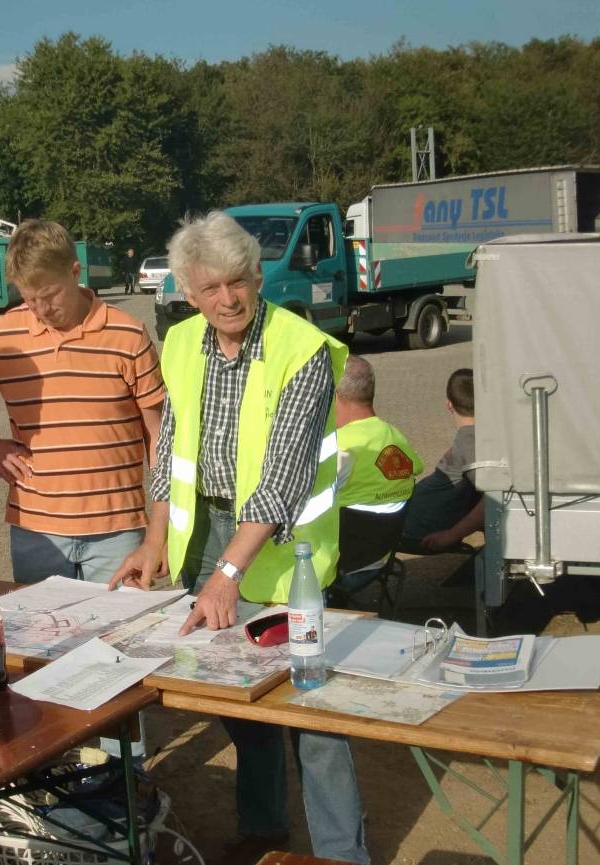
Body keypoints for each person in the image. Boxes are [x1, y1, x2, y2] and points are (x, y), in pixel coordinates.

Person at [110, 212, 367, 863]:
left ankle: (342, 853)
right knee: (231, 690)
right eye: (210, 287)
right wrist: (153, 539)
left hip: (284, 552)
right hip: (206, 537)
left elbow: (282, 475)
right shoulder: (180, 342)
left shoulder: (300, 348)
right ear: (188, 293)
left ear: (258, 277)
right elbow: (170, 450)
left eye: (237, 282)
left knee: (313, 711)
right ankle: (263, 828)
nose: (227, 298)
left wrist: (229, 574)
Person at [0, 220, 165, 585]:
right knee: (43, 641)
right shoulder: (6, 334)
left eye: (50, 294)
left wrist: (160, 533)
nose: (40, 308)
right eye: (28, 297)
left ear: (75, 271)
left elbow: (159, 438)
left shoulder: (128, 334)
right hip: (35, 531)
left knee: (120, 640)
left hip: (118, 531)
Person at [331, 356, 423, 594]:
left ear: (335, 395)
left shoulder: (340, 447)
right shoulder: (396, 438)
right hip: (379, 558)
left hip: (338, 565)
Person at [401, 368, 483, 552]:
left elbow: (493, 498)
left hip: (413, 527)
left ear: (449, 405)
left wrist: (451, 535)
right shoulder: (475, 437)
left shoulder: (470, 442)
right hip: (416, 515)